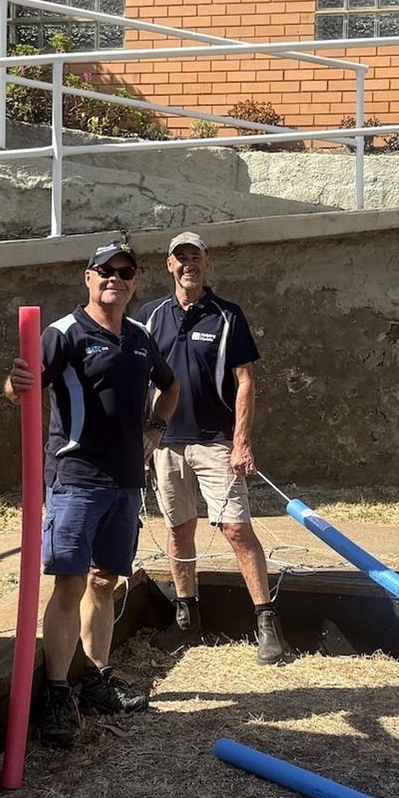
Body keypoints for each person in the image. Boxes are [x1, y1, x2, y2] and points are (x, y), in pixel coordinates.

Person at [4, 240, 179, 748]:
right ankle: (58, 692)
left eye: (125, 272)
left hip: (125, 481)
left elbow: (170, 387)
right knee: (70, 584)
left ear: (134, 282)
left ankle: (97, 679)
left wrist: (156, 429)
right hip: (76, 479)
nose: (114, 279)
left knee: (105, 581)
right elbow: (20, 387)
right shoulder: (64, 333)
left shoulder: (140, 337)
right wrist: (15, 383)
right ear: (88, 277)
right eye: (106, 270)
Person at [137, 231, 286, 665]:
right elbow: (138, 380)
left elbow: (245, 382)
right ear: (169, 265)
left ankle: (266, 621)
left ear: (207, 263)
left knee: (236, 529)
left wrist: (242, 442)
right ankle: (187, 617)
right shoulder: (149, 316)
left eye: (195, 257)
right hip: (165, 444)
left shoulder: (227, 315)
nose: (188, 264)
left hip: (216, 443)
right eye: (180, 258)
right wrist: (142, 439)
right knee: (178, 529)